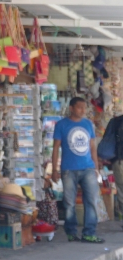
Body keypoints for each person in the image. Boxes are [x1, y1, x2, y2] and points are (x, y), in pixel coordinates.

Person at [50, 97, 104, 243]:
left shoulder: (88, 124)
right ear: (72, 108)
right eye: (79, 107)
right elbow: (56, 148)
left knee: (91, 200)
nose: (83, 110)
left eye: (84, 108)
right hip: (68, 169)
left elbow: (92, 147)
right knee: (69, 203)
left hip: (88, 168)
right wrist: (54, 170)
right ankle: (71, 232)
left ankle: (89, 232)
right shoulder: (61, 125)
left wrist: (96, 167)